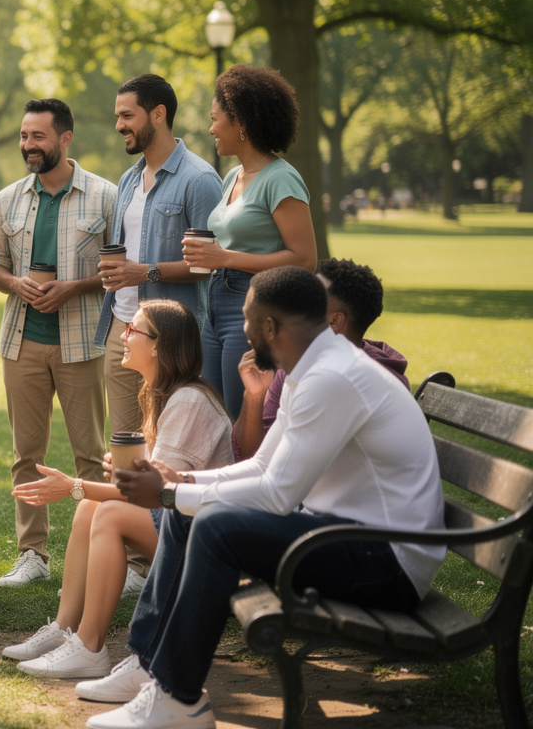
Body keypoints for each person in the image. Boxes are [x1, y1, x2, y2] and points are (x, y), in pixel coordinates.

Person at [86, 267, 445, 729]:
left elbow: (277, 494)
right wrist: (185, 485)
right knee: (187, 515)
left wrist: (172, 493)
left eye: (247, 316)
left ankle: (179, 700)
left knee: (213, 524)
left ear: (270, 327)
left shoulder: (333, 377)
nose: (242, 325)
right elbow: (260, 467)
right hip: (347, 537)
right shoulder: (309, 369)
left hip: (389, 563)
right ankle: (148, 664)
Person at [2, 300, 231, 679]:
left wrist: (73, 485)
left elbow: (158, 494)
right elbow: (155, 489)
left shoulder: (188, 400)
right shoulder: (163, 394)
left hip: (206, 543)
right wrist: (105, 481)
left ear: (158, 345)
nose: (122, 336)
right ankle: (64, 630)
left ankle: (89, 647)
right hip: (184, 524)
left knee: (103, 510)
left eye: (132, 330)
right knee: (89, 507)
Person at [0, 98, 115, 588]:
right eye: (23, 136)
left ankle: (103, 550)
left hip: (81, 342)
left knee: (90, 453)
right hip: (21, 342)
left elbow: (116, 269)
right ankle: (31, 555)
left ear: (65, 138)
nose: (28, 145)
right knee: (26, 453)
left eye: (37, 136)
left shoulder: (105, 196)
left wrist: (73, 288)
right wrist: (15, 284)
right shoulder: (7, 200)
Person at [180, 64, 317, 418]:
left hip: (254, 304)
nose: (210, 128)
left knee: (244, 417)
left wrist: (225, 257)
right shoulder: (231, 178)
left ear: (241, 122)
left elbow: (304, 259)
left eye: (215, 119)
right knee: (215, 418)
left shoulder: (281, 179)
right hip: (214, 303)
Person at [95, 75, 221, 438]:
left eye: (127, 115)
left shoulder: (199, 180)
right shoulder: (128, 180)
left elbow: (206, 264)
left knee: (168, 446)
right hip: (123, 330)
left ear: (158, 114)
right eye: (118, 116)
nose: (119, 125)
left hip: (171, 339)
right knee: (124, 445)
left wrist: (144, 273)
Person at [232, 257, 408, 460]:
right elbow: (254, 458)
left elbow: (282, 472)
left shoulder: (361, 381)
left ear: (334, 321)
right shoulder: (299, 365)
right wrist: (254, 396)